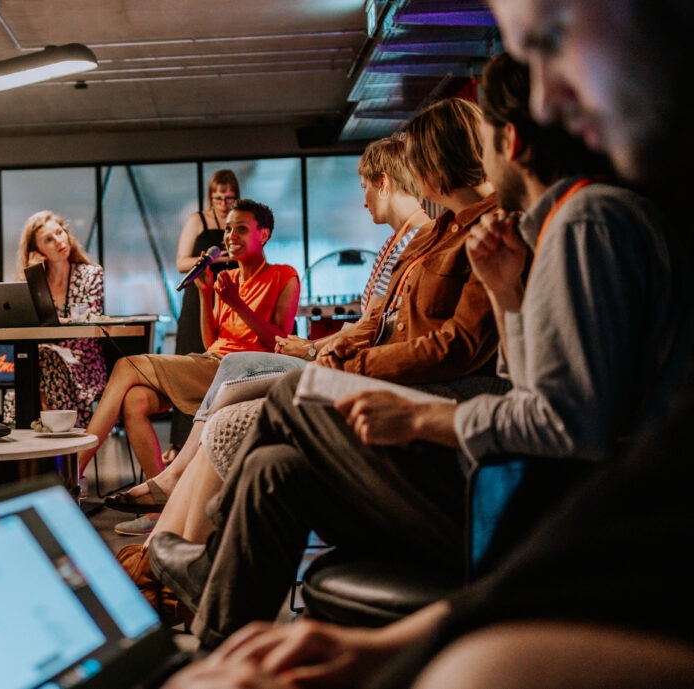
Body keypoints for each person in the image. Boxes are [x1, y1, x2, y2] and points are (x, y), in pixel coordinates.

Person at [160, 24, 694, 686]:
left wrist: (420, 420)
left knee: (293, 403)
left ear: (513, 143)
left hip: (529, 504)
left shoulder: (585, 224)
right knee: (275, 466)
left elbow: (564, 430)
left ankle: (206, 573)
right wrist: (507, 299)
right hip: (522, 480)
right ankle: (214, 653)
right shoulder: (556, 226)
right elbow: (536, 391)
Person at [120, 99, 504, 619]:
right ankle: (185, 572)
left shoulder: (488, 229)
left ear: (436, 164)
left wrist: (349, 366)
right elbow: (382, 319)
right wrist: (342, 349)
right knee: (241, 408)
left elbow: (457, 347)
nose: (406, 173)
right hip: (398, 379)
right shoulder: (442, 231)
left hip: (424, 394)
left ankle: (194, 564)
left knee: (256, 404)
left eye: (413, 160)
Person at [106, 135, 431, 511]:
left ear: (385, 182)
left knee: (218, 366)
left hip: (336, 365)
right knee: (164, 384)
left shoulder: (406, 242)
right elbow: (367, 324)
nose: (363, 199)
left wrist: (309, 347)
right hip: (253, 358)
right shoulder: (394, 244)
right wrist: (210, 295)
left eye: (365, 188)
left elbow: (370, 328)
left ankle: (163, 481)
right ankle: (170, 490)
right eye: (229, 229)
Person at [79, 199, 300, 534]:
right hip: (212, 362)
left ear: (264, 234)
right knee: (134, 400)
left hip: (242, 370)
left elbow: (280, 342)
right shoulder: (226, 279)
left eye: (241, 228)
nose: (231, 235)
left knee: (125, 366)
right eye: (228, 228)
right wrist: (205, 294)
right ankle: (161, 510)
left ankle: (70, 475)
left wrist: (237, 305)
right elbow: (212, 342)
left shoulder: (284, 276)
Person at [1, 211, 107, 430]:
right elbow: (24, 323)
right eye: (48, 240)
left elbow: (88, 325)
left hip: (83, 364)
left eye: (60, 233)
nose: (59, 241)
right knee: (40, 360)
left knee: (30, 377)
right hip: (44, 364)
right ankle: (55, 431)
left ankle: (38, 434)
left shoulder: (91, 274)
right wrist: (32, 277)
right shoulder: (36, 281)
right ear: (37, 250)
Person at [168, 169, 241, 462]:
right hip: (200, 294)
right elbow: (180, 262)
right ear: (210, 198)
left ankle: (214, 437)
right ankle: (179, 443)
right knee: (189, 360)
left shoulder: (240, 222)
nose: (224, 204)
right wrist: (210, 260)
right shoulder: (197, 220)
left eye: (229, 198)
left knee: (221, 363)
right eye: (218, 198)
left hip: (231, 294)